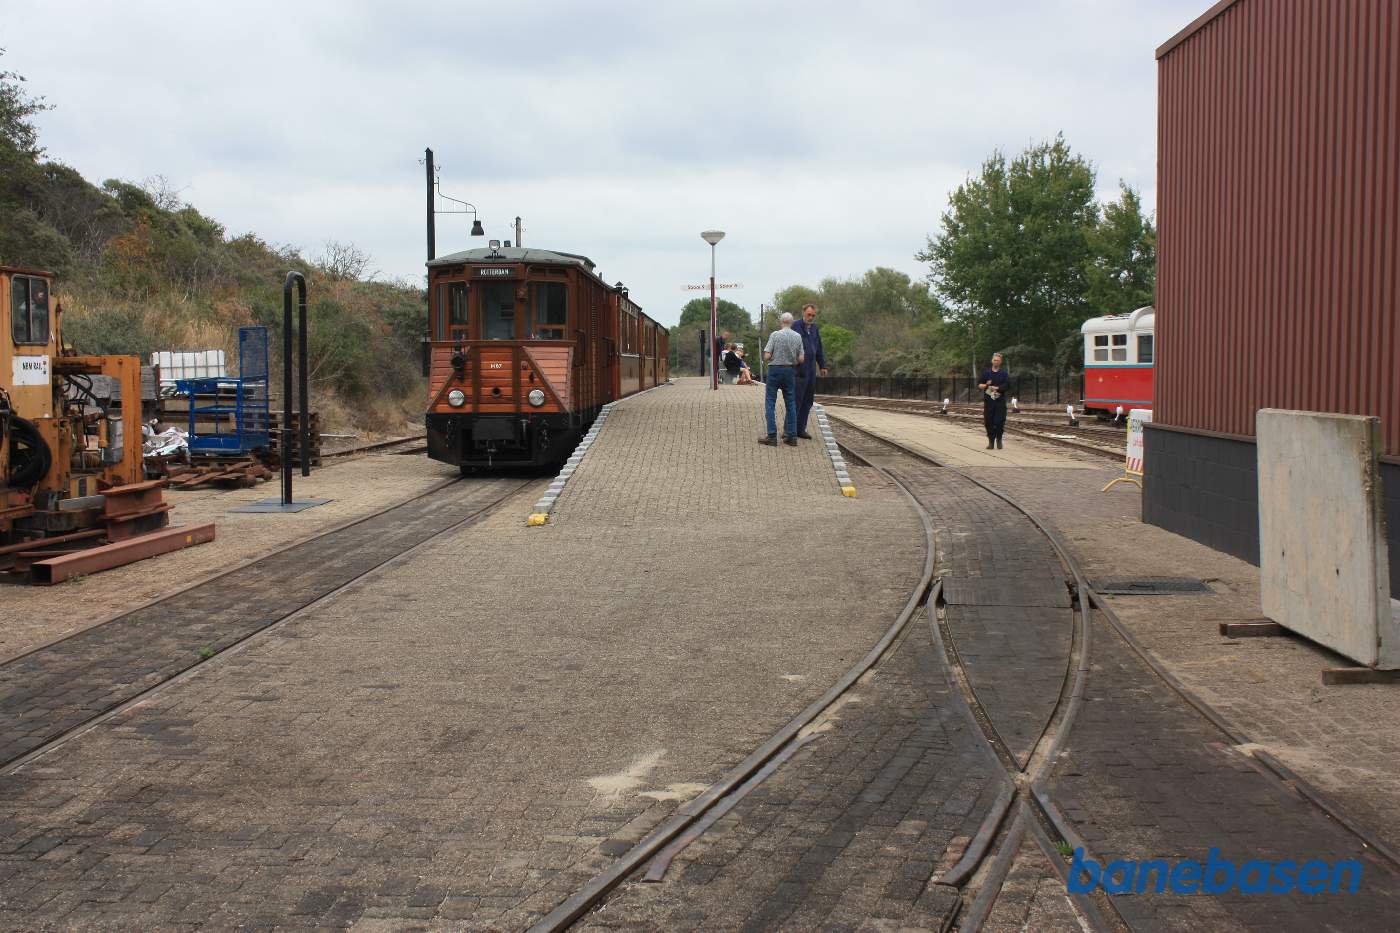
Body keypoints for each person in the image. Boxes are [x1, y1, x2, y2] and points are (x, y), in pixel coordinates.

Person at [760, 313, 805, 446]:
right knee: (791, 403)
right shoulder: (798, 336)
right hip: (790, 371)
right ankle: (792, 436)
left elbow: (767, 356)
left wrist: (773, 355)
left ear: (781, 322)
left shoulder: (775, 335)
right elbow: (801, 358)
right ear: (792, 323)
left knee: (770, 402)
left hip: (775, 370)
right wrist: (792, 360)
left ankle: (772, 436)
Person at [791, 303, 828, 439]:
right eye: (809, 314)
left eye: (813, 315)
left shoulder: (814, 328)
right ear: (803, 313)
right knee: (796, 400)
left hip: (811, 369)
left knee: (808, 400)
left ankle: (801, 429)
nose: (811, 317)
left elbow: (818, 348)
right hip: (799, 369)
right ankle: (790, 430)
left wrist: (822, 365)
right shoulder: (795, 326)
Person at [978, 352, 1010, 449]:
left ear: (1000, 362)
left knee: (999, 421)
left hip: (1000, 401)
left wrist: (998, 388)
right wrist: (987, 385)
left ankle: (999, 439)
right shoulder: (986, 373)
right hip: (989, 401)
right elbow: (980, 385)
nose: (996, 362)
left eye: (998, 360)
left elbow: (1007, 385)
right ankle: (991, 442)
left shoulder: (1004, 374)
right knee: (989, 422)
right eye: (994, 360)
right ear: (992, 361)